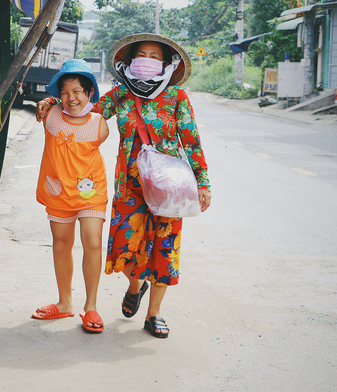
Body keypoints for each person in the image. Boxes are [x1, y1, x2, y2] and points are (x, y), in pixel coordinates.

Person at [37, 34, 211, 338]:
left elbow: (191, 140)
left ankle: (154, 313)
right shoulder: (121, 95)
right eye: (141, 55)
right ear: (129, 62)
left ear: (166, 63)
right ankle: (135, 284)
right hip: (129, 185)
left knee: (164, 247)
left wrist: (203, 182)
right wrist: (54, 99)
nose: (147, 60)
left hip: (169, 188)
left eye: (154, 56)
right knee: (122, 249)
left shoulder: (177, 97)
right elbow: (83, 111)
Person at [31, 59, 110, 334]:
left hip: (91, 193)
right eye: (64, 92)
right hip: (58, 191)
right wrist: (49, 99)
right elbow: (52, 103)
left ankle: (91, 307)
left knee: (93, 242)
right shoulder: (49, 114)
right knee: (61, 243)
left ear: (89, 93)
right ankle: (64, 303)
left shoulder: (100, 124)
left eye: (77, 91)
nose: (71, 97)